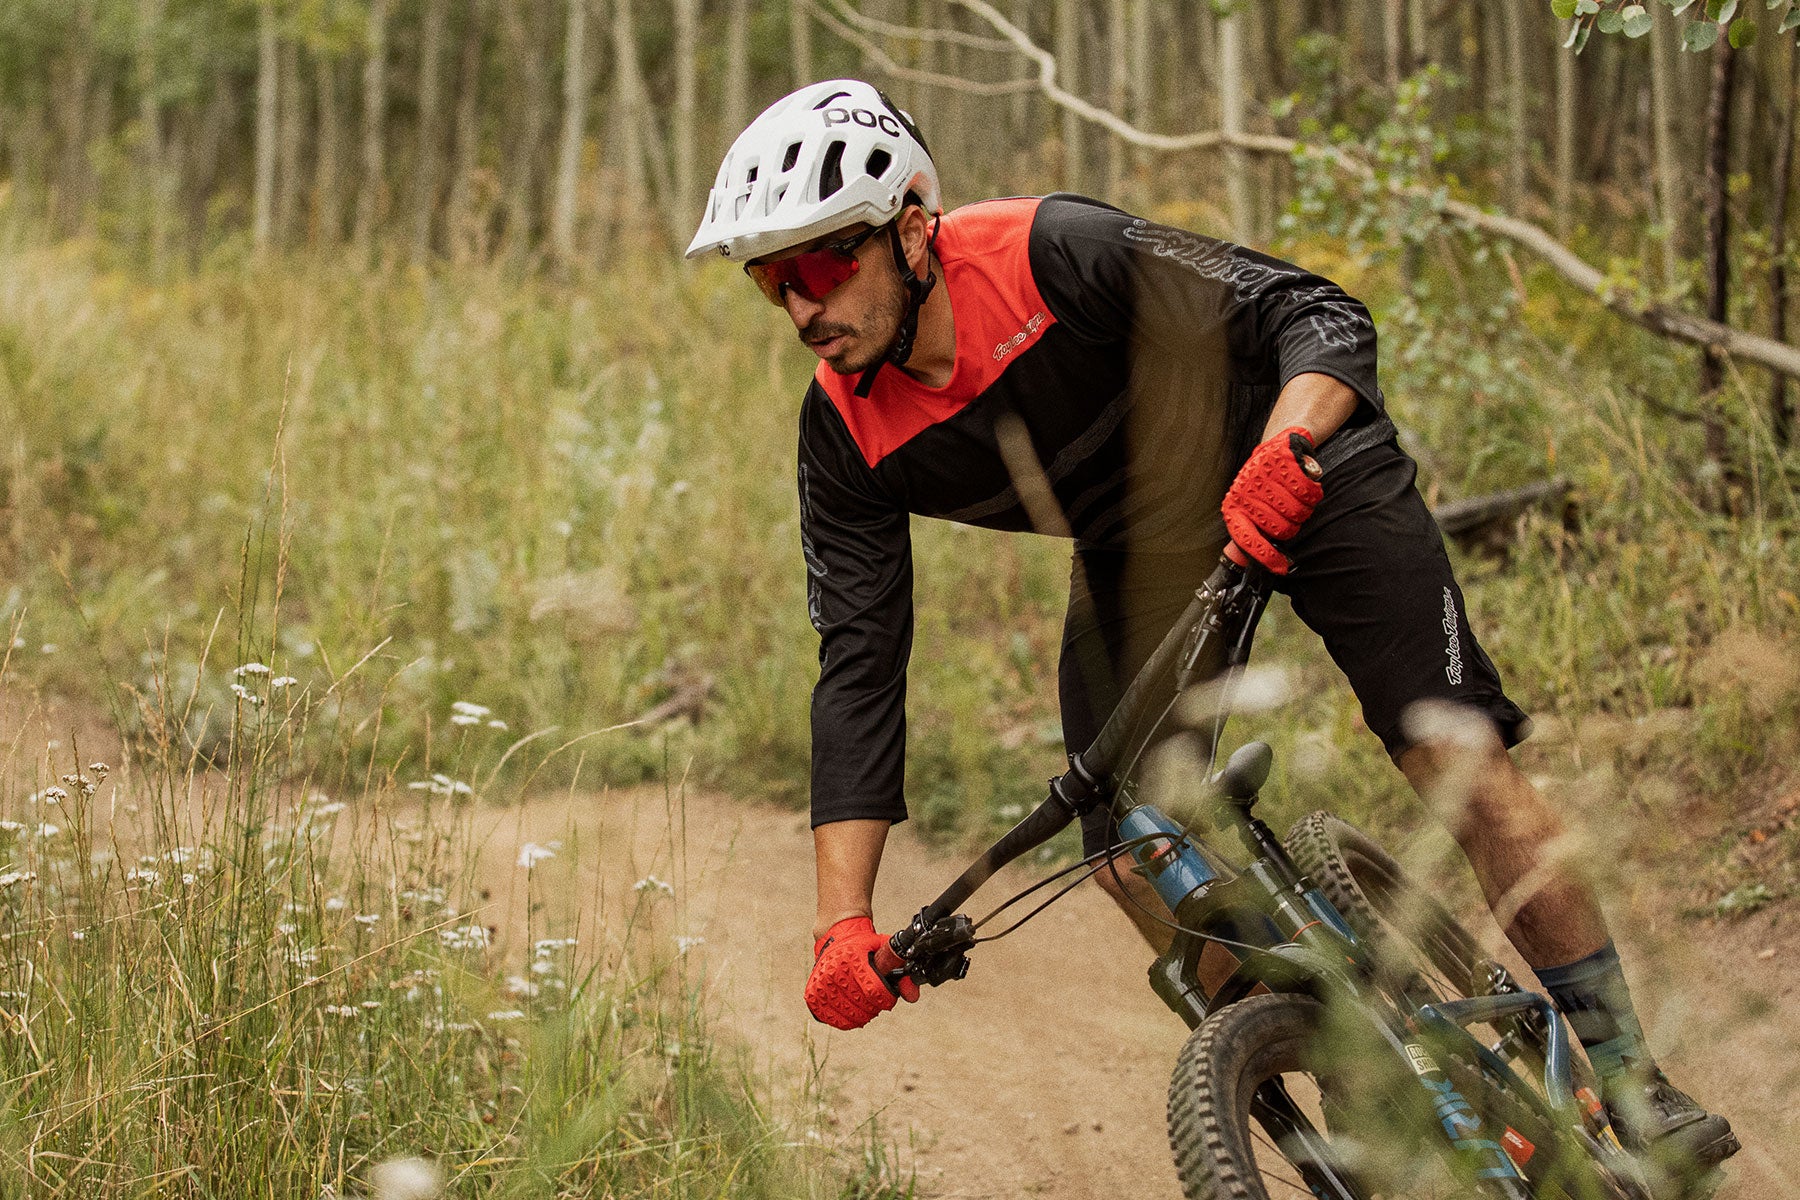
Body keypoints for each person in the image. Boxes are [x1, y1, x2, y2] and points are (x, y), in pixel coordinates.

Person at [685, 78, 1737, 1173]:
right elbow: (859, 666)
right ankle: (1355, 1074)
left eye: (821, 265)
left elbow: (1317, 313)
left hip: (1303, 457)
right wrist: (841, 926)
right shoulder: (842, 437)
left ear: (910, 230)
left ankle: (1632, 1079)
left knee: (1452, 758)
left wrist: (1283, 453)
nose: (803, 306)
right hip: (1144, 547)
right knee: (1137, 856)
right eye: (772, 283)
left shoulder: (1055, 253)